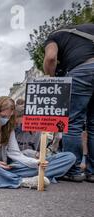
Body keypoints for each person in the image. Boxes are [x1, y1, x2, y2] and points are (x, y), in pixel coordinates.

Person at [0, 96, 76, 189]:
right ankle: (21, 181)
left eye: (9, 117)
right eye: (3, 116)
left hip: (3, 167)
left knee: (67, 157)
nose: (5, 119)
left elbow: (15, 154)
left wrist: (36, 162)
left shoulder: (7, 129)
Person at [44, 24, 94, 183]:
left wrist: (53, 79)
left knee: (72, 122)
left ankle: (73, 170)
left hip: (81, 71)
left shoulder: (55, 35)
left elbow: (51, 57)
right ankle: (92, 172)